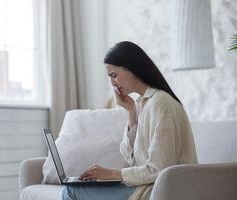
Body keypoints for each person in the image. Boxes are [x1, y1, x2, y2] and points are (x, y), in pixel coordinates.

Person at [61, 41, 198, 200]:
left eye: (114, 75)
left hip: (160, 191)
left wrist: (111, 174)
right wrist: (131, 112)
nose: (112, 83)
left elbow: (160, 169)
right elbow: (132, 159)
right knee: (72, 189)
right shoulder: (142, 104)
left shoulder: (161, 104)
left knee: (70, 191)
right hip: (145, 187)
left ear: (131, 67)